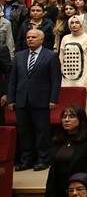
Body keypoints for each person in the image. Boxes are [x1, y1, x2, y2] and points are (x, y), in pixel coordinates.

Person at [4, 28, 60, 171]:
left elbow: (55, 79)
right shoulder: (19, 56)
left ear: (41, 39)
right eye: (28, 37)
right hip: (21, 100)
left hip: (41, 99)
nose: (30, 39)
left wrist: (53, 99)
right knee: (24, 131)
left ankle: (43, 159)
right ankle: (26, 159)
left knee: (42, 131)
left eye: (33, 37)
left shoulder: (51, 56)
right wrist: (11, 99)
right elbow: (13, 79)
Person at [43, 104, 87, 197]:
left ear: (81, 119)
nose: (66, 120)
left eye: (71, 116)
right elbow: (52, 173)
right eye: (64, 117)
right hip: (60, 192)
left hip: (80, 193)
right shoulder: (58, 141)